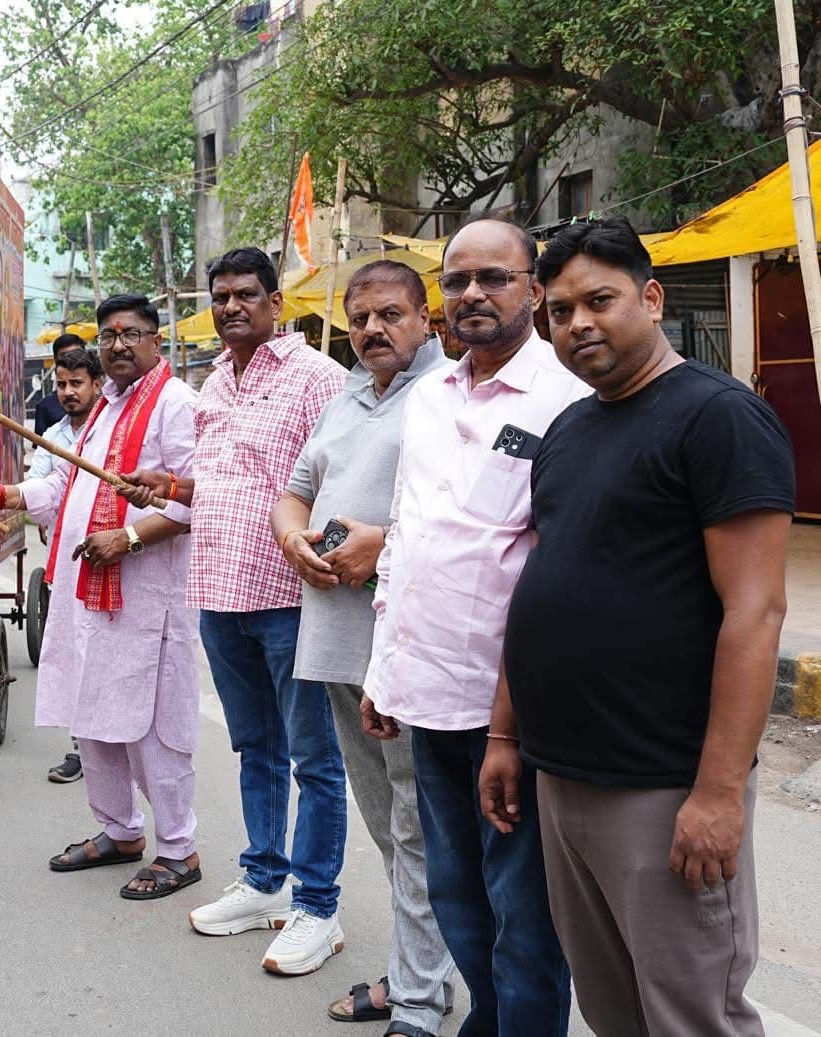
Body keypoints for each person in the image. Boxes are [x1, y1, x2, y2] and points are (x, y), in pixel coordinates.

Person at [490, 217, 795, 1037]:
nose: (577, 323)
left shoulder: (718, 418)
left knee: (693, 1015)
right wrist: (504, 735)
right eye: (559, 311)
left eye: (600, 300)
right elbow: (540, 585)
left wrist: (718, 793)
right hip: (563, 777)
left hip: (664, 787)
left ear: (651, 299)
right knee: (612, 1010)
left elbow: (756, 612)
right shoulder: (569, 430)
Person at [363, 218, 587, 1033]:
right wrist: (384, 670)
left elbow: (554, 574)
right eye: (457, 280)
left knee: (522, 913)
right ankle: (489, 1019)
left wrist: (506, 728)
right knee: (456, 897)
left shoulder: (567, 400)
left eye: (494, 277)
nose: (472, 294)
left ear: (535, 289)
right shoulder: (429, 396)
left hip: (511, 712)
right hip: (426, 698)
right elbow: (405, 538)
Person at [269, 261, 454, 1036]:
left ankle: (418, 996)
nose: (373, 329)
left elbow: (474, 515)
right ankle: (423, 971)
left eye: (390, 314)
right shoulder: (346, 396)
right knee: (386, 821)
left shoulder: (451, 392)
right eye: (360, 318)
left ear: (425, 319)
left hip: (409, 643)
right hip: (339, 637)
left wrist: (387, 542)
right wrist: (292, 539)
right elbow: (295, 491)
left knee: (417, 824)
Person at [0, 294, 203, 900]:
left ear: (156, 340)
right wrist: (0, 496)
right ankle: (120, 831)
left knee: (150, 725)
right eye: (108, 336)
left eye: (131, 333)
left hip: (146, 597)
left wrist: (129, 538)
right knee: (93, 714)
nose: (118, 344)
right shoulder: (106, 406)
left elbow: (197, 497)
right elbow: (64, 486)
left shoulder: (176, 404)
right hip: (86, 592)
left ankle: (179, 848)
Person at [187, 246, 349, 976]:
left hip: (290, 598)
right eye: (221, 296)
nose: (231, 307)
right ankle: (263, 881)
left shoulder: (318, 377)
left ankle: (317, 905)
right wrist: (166, 488)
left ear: (276, 303)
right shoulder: (214, 380)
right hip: (219, 592)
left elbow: (347, 475)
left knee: (314, 757)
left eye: (246, 294)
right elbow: (216, 482)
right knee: (255, 746)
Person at [29, 347, 104, 783]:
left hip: (112, 554)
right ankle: (82, 749)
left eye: (77, 383)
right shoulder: (54, 436)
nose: (68, 392)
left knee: (102, 654)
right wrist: (8, 497)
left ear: (97, 384)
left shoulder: (110, 428)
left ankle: (113, 749)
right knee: (75, 652)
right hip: (65, 556)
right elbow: (43, 488)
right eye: (61, 384)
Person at [33, 333, 87, 438]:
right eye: (64, 357)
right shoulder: (45, 407)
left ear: (96, 384)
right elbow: (40, 445)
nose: (70, 362)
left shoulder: (107, 404)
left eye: (76, 355)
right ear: (56, 361)